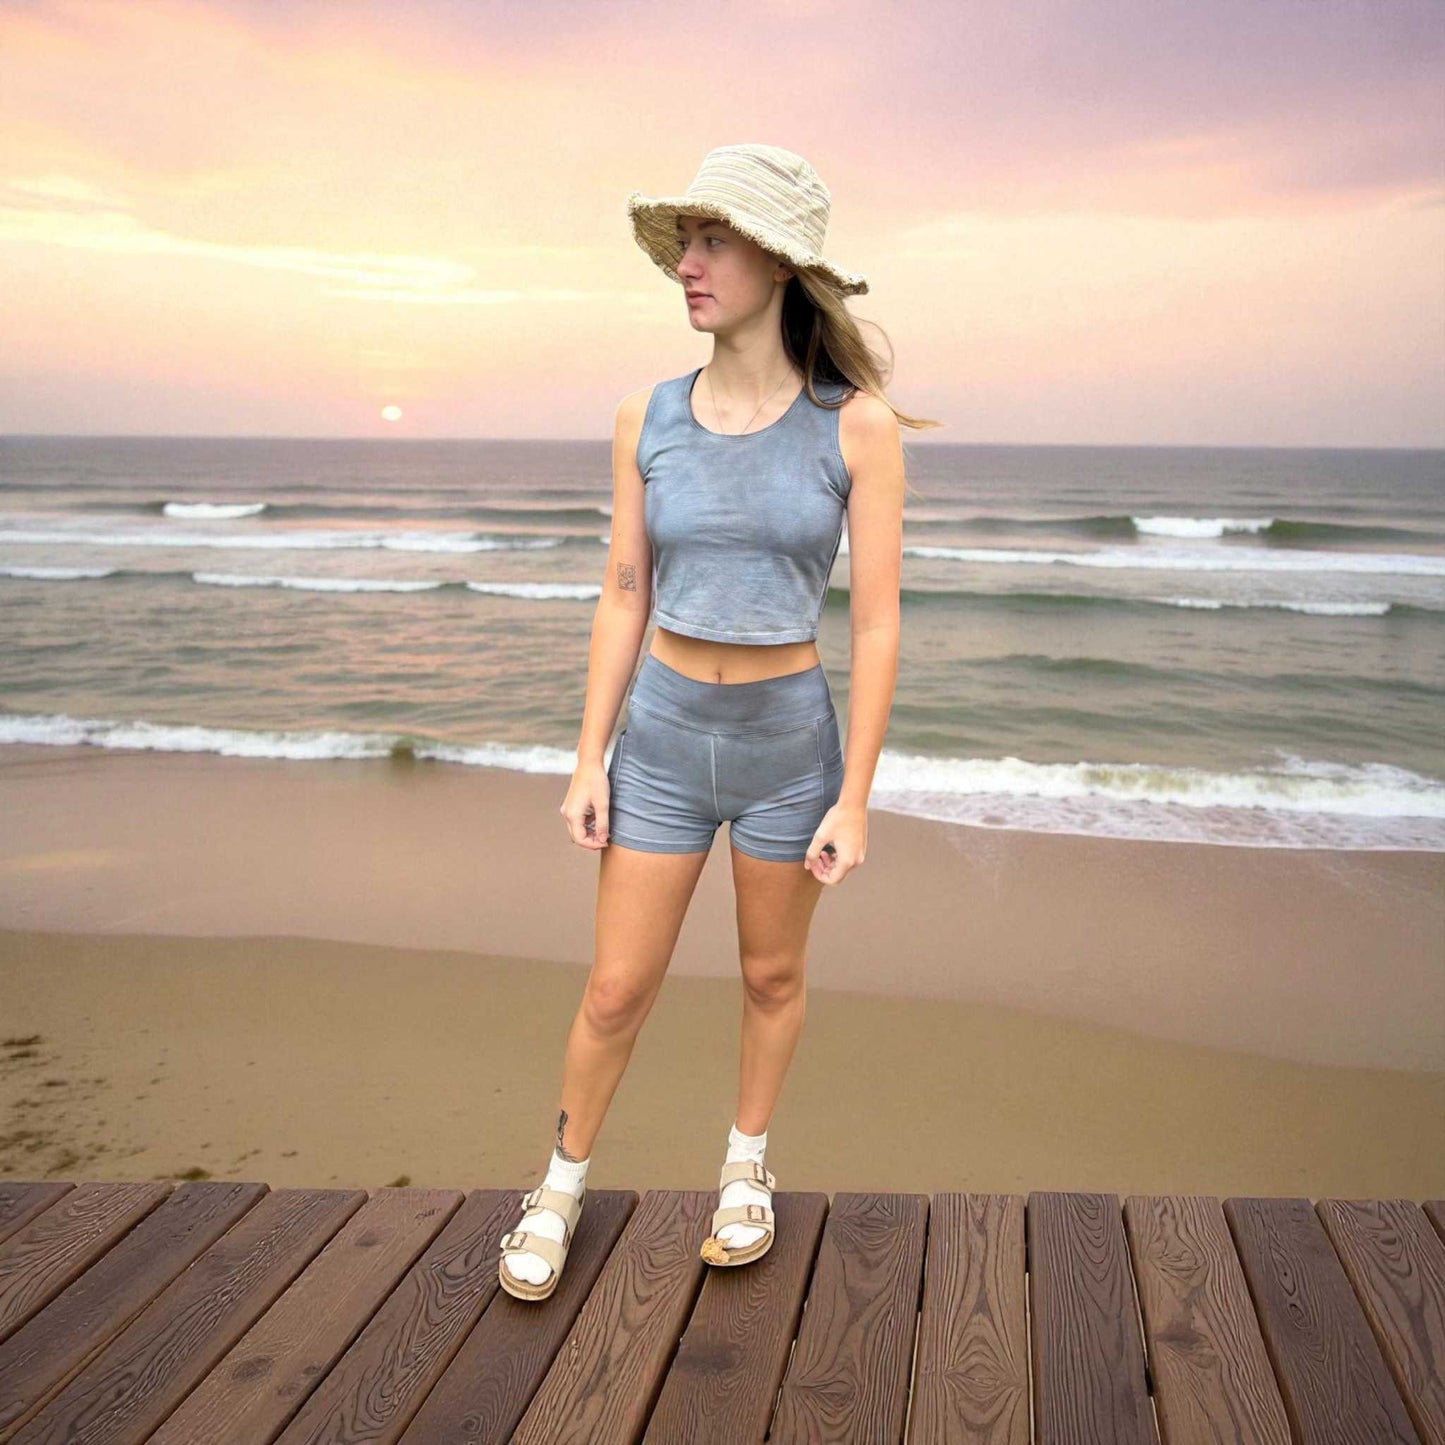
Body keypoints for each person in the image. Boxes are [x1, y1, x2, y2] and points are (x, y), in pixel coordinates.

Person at [498, 142, 933, 1301]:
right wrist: (586, 753)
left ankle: (745, 1168)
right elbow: (623, 589)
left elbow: (878, 626)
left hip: (790, 748)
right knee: (613, 988)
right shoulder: (644, 414)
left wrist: (853, 795)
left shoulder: (857, 429)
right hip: (661, 739)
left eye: (711, 242)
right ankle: (556, 1186)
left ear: (778, 265)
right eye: (684, 244)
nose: (686, 266)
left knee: (770, 973)